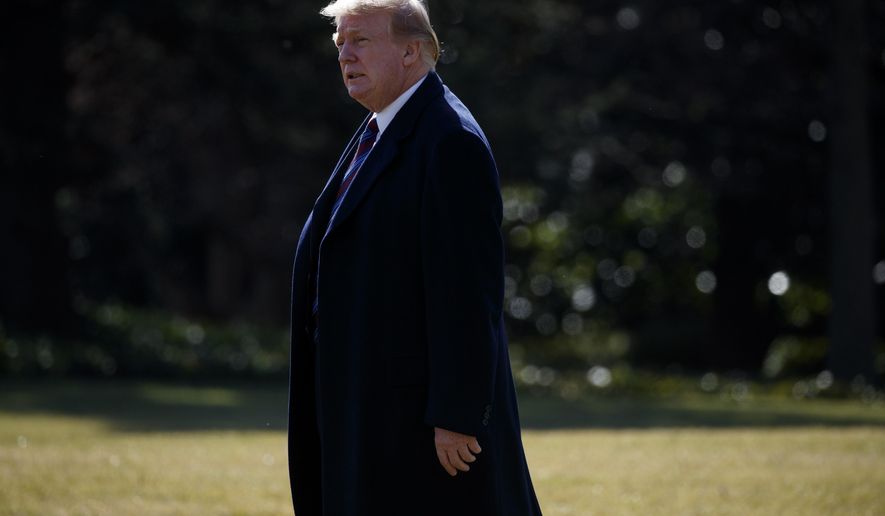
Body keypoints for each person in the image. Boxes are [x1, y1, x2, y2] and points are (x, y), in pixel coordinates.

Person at [287, 1, 542, 514]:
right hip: (365, 406)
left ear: (411, 50)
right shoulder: (380, 128)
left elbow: (469, 293)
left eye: (359, 40)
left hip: (417, 425)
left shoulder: (450, 141)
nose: (344, 55)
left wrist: (457, 413)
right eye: (339, 44)